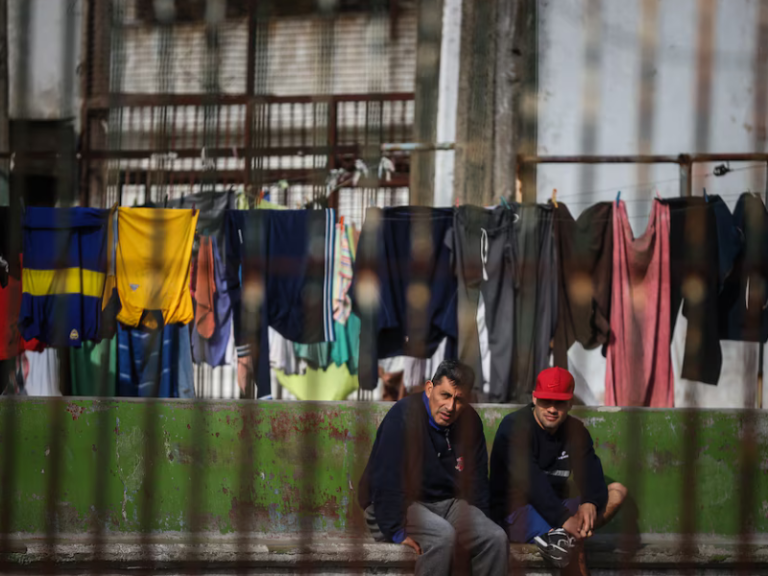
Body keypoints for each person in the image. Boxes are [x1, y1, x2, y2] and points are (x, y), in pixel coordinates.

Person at [358, 359, 508, 576]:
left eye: (459, 399)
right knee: (442, 537)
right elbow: (386, 481)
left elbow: (478, 481)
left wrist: (481, 523)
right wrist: (395, 531)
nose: (450, 407)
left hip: (446, 504)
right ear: (429, 389)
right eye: (445, 395)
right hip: (395, 504)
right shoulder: (403, 417)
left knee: (495, 538)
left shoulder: (470, 422)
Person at [489, 366, 628, 575]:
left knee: (617, 492)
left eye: (560, 402)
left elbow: (591, 471)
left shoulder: (575, 431)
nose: (552, 409)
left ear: (570, 403)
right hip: (515, 513)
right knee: (570, 545)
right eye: (546, 401)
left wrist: (590, 501)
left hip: (555, 506)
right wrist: (564, 519)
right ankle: (565, 535)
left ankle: (566, 533)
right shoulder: (514, 427)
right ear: (534, 398)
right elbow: (532, 483)